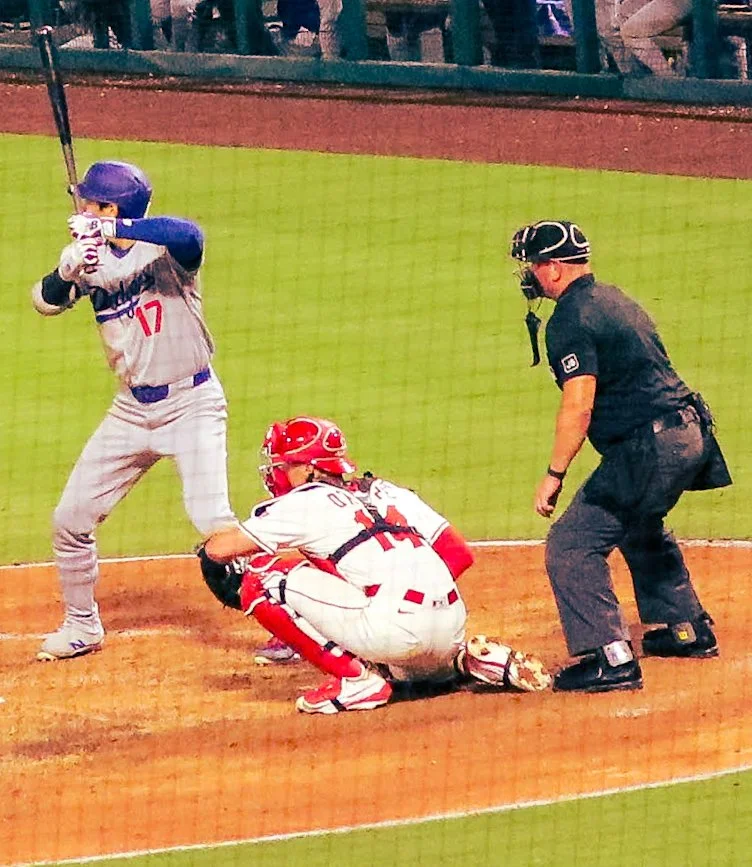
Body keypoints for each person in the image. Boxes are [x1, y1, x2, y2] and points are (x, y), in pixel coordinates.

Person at [509, 220, 732, 694]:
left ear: (554, 268)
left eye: (534, 264)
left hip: (650, 447)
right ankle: (686, 628)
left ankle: (610, 658)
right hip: (689, 434)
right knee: (636, 522)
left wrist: (554, 473)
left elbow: (579, 405)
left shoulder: (570, 319)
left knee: (572, 545)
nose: (530, 274)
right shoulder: (613, 299)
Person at [198, 415, 551, 714]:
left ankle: (356, 681)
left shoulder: (304, 502)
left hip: (394, 631)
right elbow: (458, 553)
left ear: (306, 469)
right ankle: (461, 663)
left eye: (283, 466)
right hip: (452, 624)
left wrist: (207, 554)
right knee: (401, 651)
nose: (276, 473)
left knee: (262, 578)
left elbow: (220, 550)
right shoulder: (387, 491)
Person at [32, 160, 236, 661]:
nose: (83, 207)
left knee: (215, 521)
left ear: (113, 208)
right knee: (70, 519)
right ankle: (82, 626)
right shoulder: (89, 257)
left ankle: (289, 620)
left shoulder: (166, 252)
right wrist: (67, 270)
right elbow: (45, 302)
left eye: (93, 203)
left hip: (192, 404)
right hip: (130, 412)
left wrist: (110, 230)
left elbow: (188, 233)